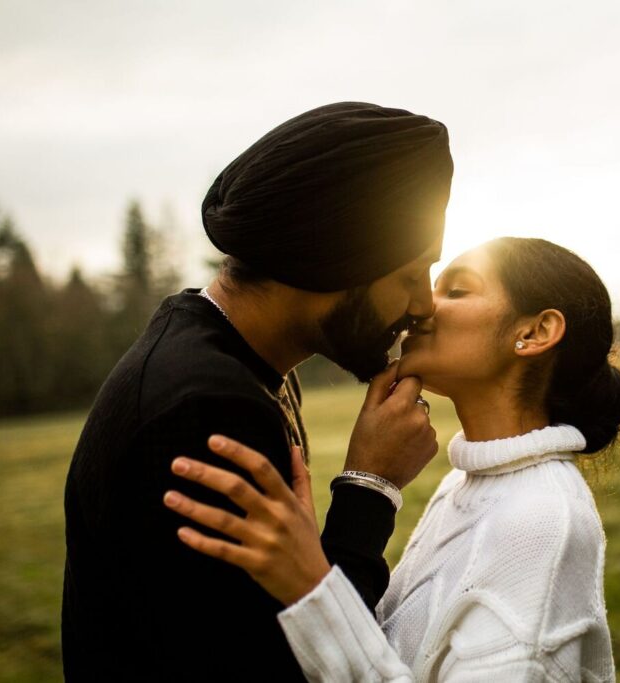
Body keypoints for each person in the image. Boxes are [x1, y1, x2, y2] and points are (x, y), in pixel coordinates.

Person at [62, 102, 453, 681]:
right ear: (330, 259)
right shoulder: (206, 410)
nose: (423, 305)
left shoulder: (240, 364)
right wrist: (372, 488)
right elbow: (291, 666)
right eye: (406, 276)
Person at [163, 237, 620, 681]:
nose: (422, 307)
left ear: (534, 332)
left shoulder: (541, 523)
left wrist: (312, 587)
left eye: (458, 289)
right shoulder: (464, 487)